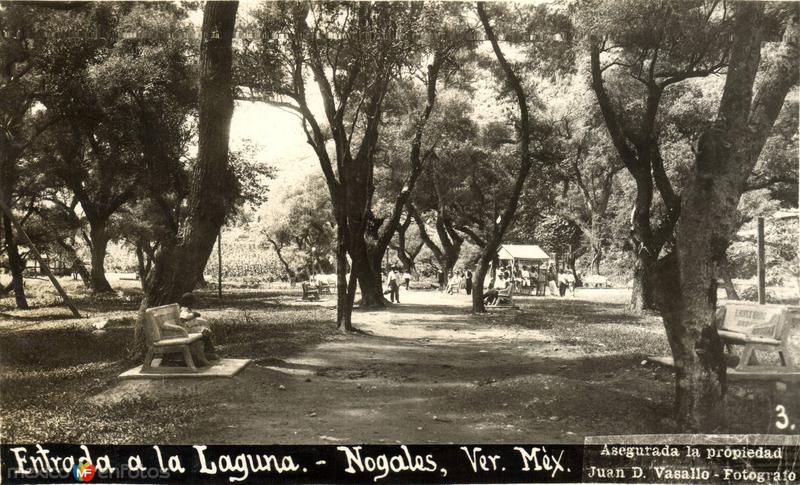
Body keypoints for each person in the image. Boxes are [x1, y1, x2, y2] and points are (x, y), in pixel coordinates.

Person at [178, 292, 219, 362]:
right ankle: (208, 352)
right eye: (193, 302)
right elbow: (183, 318)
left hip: (193, 328)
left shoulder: (188, 309)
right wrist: (193, 315)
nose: (194, 304)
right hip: (189, 329)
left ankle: (208, 351)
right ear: (189, 302)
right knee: (205, 332)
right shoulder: (184, 310)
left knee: (206, 332)